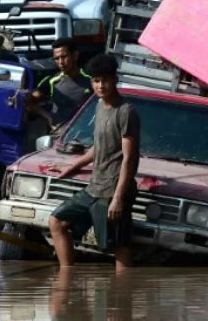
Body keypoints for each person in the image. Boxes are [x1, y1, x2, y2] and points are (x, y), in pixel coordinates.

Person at [47, 54, 140, 270]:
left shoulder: (126, 112)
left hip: (113, 191)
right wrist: (72, 166)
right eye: (96, 81)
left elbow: (130, 157)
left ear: (115, 80)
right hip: (94, 187)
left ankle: (122, 297)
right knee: (56, 221)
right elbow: (99, 147)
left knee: (118, 246)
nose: (101, 86)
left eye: (105, 80)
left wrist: (118, 198)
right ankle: (66, 281)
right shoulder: (99, 106)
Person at [28, 38, 92, 131]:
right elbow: (28, 102)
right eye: (57, 58)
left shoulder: (91, 80)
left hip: (84, 135)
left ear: (75, 55)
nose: (61, 62)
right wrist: (47, 116)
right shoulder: (51, 81)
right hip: (58, 136)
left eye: (64, 56)